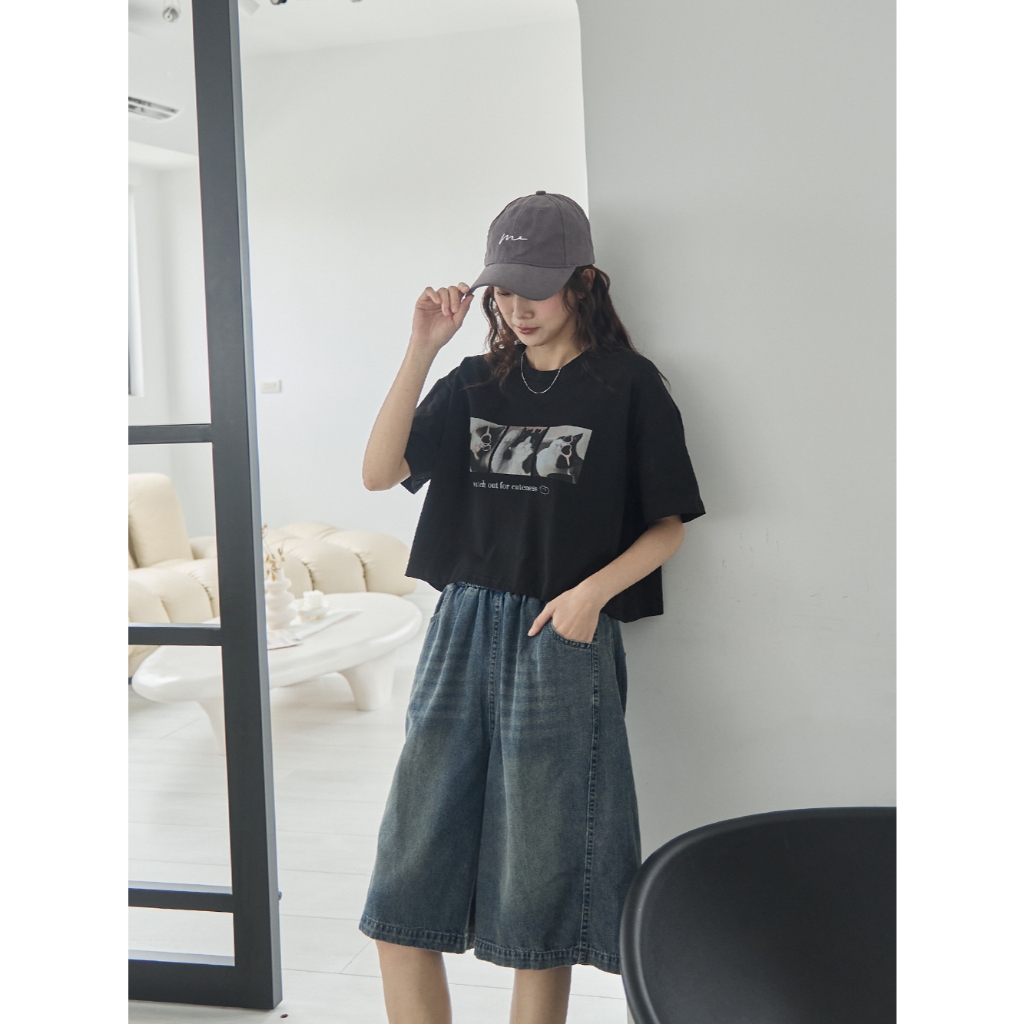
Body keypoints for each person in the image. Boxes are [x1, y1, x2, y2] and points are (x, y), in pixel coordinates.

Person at [359, 192, 705, 1024]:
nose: (518, 307)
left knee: (541, 887)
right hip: (461, 629)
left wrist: (590, 595)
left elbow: (668, 527)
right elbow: (378, 472)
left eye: (537, 289)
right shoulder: (476, 381)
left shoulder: (628, 386)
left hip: (560, 635)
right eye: (504, 289)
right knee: (407, 879)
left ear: (582, 282)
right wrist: (422, 347)